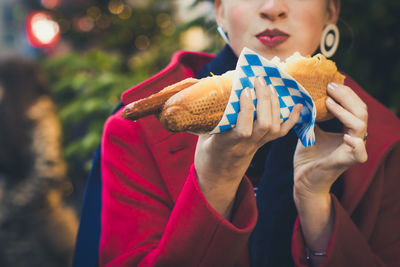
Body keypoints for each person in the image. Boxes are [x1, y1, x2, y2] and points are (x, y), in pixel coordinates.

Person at [98, 0, 400, 266]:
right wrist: (215, 184)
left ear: (330, 11)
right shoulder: (136, 131)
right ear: (220, 11)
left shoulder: (384, 140)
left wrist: (316, 206)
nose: (272, 8)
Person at [0, 58, 78, 267]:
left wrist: (14, 203)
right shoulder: (8, 116)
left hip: (43, 220)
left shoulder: (39, 112)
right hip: (16, 230)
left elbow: (50, 169)